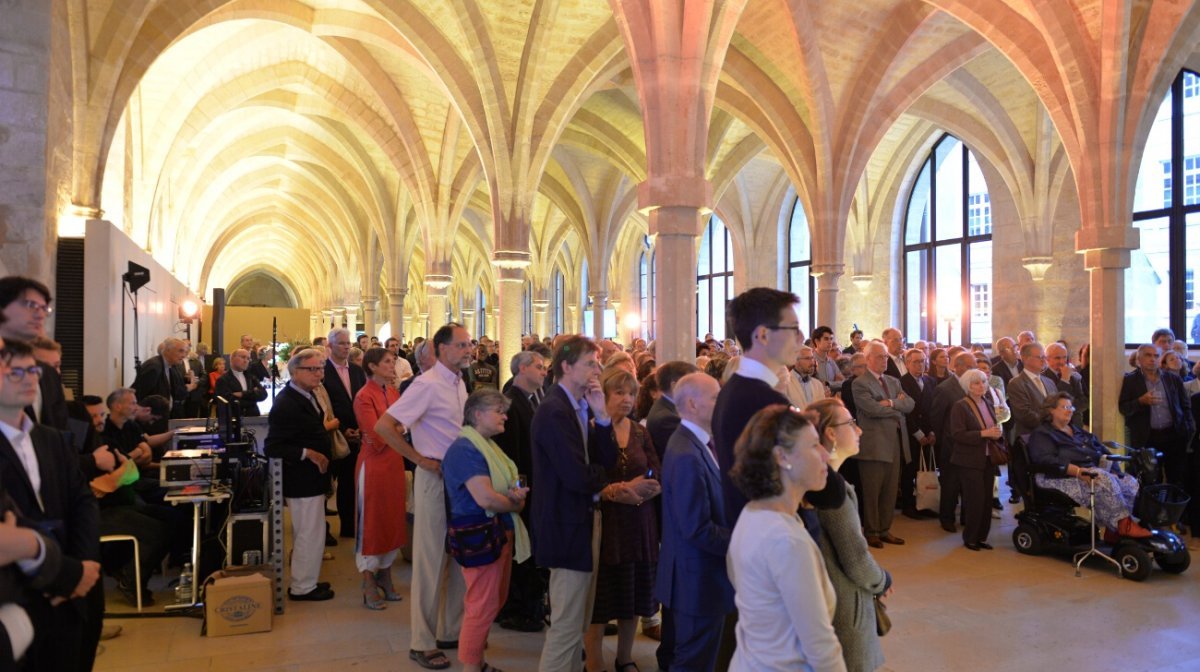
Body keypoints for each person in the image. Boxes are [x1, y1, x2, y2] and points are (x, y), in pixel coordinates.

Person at [533, 335, 646, 672]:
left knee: (578, 621)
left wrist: (602, 419)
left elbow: (604, 461)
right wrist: (608, 481)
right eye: (590, 363)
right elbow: (576, 476)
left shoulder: (579, 406)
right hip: (565, 523)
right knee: (566, 625)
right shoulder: (555, 410)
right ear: (566, 367)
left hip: (583, 518)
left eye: (598, 362)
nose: (598, 369)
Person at [0, 339, 102, 670]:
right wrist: (62, 575)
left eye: (33, 370)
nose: (30, 378)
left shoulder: (52, 438)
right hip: (23, 591)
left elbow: (82, 500)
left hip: (76, 579)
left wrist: (84, 566)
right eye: (16, 371)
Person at [376, 323, 472, 670]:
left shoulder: (459, 383)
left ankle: (451, 628)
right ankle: (422, 642)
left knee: (461, 558)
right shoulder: (427, 384)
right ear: (441, 349)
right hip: (434, 479)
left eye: (470, 344)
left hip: (460, 480)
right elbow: (385, 425)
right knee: (431, 561)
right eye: (461, 345)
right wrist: (418, 459)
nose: (468, 350)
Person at [727, 405, 844, 672]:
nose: (826, 454)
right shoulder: (787, 541)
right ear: (782, 456)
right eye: (815, 445)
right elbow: (821, 646)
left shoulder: (753, 513)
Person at [442, 389, 530, 672]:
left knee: (492, 602)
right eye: (498, 411)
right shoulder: (466, 448)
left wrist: (513, 498)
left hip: (495, 531)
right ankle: (470, 667)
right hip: (479, 533)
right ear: (478, 414)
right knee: (481, 606)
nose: (505, 416)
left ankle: (478, 662)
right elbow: (486, 498)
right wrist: (514, 505)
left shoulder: (486, 444)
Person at [583, 369, 661, 672]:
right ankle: (594, 662)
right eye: (619, 393)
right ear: (604, 395)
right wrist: (618, 491)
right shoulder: (592, 430)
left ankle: (625, 657)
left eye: (631, 393)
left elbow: (657, 472)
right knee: (600, 602)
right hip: (607, 524)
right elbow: (588, 478)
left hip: (639, 523)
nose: (626, 399)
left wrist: (640, 493)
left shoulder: (641, 432)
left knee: (634, 596)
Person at [807, 398, 892, 672]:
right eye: (851, 423)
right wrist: (881, 580)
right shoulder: (830, 489)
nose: (859, 430)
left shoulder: (819, 481)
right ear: (830, 433)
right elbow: (855, 558)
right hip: (845, 607)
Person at [656, 372, 731, 672]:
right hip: (697, 579)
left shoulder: (698, 442)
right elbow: (696, 528)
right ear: (692, 404)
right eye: (715, 397)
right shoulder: (687, 452)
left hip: (696, 576)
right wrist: (745, 539)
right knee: (694, 662)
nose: (721, 402)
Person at [264, 348, 335, 601]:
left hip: (312, 478)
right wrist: (309, 453)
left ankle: (308, 580)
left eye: (321, 368)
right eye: (313, 369)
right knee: (307, 533)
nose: (319, 373)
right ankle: (302, 588)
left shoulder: (306, 395)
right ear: (295, 372)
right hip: (301, 478)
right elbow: (273, 446)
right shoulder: (286, 402)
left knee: (314, 531)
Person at [1027, 392, 1150, 539]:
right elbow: (1045, 460)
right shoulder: (1042, 434)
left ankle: (1114, 528)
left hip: (1090, 472)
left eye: (1071, 407)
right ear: (1051, 410)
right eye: (1065, 407)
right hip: (1058, 477)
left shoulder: (1078, 431)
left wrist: (1116, 472)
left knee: (1129, 481)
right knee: (1103, 479)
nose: (1070, 410)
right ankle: (1123, 525)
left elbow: (1102, 451)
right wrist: (1078, 471)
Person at [494, 350, 548, 632]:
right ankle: (516, 608)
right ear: (522, 369)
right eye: (539, 367)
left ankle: (528, 603)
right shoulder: (512, 403)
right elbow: (511, 453)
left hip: (533, 487)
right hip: (522, 490)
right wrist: (519, 491)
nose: (543, 371)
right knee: (520, 549)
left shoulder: (531, 400)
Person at [351, 347, 406, 610]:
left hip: (394, 462)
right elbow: (376, 435)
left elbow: (404, 423)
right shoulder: (364, 396)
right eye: (387, 361)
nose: (392, 364)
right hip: (373, 465)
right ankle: (368, 579)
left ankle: (386, 571)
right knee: (371, 520)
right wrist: (396, 430)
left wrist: (396, 429)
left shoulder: (393, 392)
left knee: (392, 517)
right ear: (372, 366)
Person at [850, 342, 914, 548]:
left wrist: (891, 403)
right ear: (867, 359)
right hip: (874, 444)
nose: (884, 360)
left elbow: (910, 404)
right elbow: (871, 410)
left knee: (890, 490)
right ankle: (872, 531)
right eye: (879, 356)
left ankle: (885, 529)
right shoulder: (860, 383)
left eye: (886, 356)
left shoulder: (894, 381)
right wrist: (897, 407)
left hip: (896, 442)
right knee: (872, 491)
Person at [1119, 344, 1193, 491]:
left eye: (1156, 356)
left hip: (1174, 435)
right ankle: (1152, 512)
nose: (1152, 359)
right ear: (1139, 359)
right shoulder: (1130, 380)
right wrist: (1141, 401)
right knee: (1150, 479)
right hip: (1148, 437)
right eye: (1148, 355)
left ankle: (1175, 511)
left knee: (1176, 478)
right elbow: (1124, 407)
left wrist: (1188, 428)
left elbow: (1185, 406)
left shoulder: (1172, 379)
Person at [0, 277, 69, 430]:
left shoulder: (48, 373)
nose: (40, 315)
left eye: (44, 309)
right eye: (31, 305)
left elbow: (61, 431)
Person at [947, 369, 1003, 551]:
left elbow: (992, 426)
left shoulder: (987, 402)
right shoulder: (960, 406)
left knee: (987, 499)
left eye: (984, 382)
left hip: (987, 458)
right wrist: (983, 433)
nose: (982, 386)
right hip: (969, 460)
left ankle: (981, 537)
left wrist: (996, 433)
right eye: (977, 383)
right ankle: (970, 537)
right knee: (975, 500)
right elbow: (957, 434)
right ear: (967, 386)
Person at [323, 328, 367, 540]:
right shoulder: (322, 371)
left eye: (348, 343)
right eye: (342, 343)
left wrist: (360, 428)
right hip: (332, 435)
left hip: (356, 434)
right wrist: (341, 429)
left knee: (349, 484)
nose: (347, 346)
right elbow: (324, 405)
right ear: (330, 346)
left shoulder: (357, 372)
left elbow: (361, 401)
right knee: (326, 483)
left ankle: (349, 527)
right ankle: (322, 529)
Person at [930, 352, 977, 532]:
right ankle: (947, 518)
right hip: (951, 445)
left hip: (971, 443)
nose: (973, 370)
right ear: (958, 366)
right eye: (970, 366)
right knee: (950, 484)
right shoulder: (945, 388)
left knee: (969, 484)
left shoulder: (974, 385)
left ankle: (966, 516)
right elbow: (936, 418)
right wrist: (944, 442)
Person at [899, 347, 937, 519]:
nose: (920, 364)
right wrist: (918, 433)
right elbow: (905, 412)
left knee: (926, 469)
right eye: (915, 361)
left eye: (922, 361)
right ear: (907, 364)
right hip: (911, 432)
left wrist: (931, 431)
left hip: (928, 432)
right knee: (910, 469)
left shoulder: (930, 381)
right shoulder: (901, 382)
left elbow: (933, 409)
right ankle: (908, 504)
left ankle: (925, 502)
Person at [645, 361, 699, 461]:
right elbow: (692, 451)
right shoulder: (666, 418)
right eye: (692, 383)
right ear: (674, 386)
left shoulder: (668, 407)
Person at [131, 337, 196, 418]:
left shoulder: (170, 366)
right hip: (151, 418)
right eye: (180, 351)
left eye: (185, 352)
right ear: (168, 350)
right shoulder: (154, 367)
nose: (183, 356)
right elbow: (138, 393)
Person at [214, 348, 267, 416]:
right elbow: (227, 401)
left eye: (248, 358)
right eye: (243, 357)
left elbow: (263, 394)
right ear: (232, 359)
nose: (246, 361)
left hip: (252, 417)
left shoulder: (251, 377)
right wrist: (253, 397)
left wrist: (243, 394)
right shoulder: (223, 380)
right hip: (234, 417)